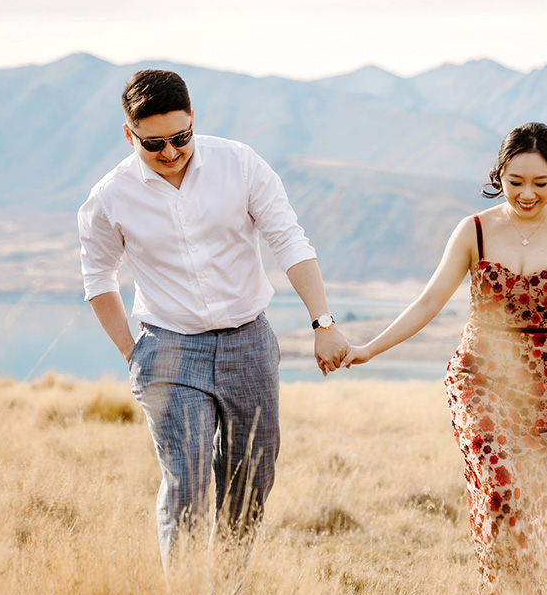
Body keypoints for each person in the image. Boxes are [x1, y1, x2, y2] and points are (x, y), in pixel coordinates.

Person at [79, 69, 350, 568]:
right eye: (153, 142)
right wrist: (132, 354)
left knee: (251, 479)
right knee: (187, 482)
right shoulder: (109, 197)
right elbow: (98, 278)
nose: (170, 152)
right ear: (128, 134)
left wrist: (323, 323)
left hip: (249, 342)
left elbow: (289, 239)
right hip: (169, 349)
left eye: (180, 137)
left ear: (193, 121)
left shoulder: (239, 163)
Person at [332, 122, 547, 595]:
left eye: (541, 182)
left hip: (545, 387)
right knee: (498, 487)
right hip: (479, 378)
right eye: (516, 180)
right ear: (499, 174)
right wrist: (368, 350)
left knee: (532, 506)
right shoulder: (472, 229)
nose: (527, 193)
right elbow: (430, 300)